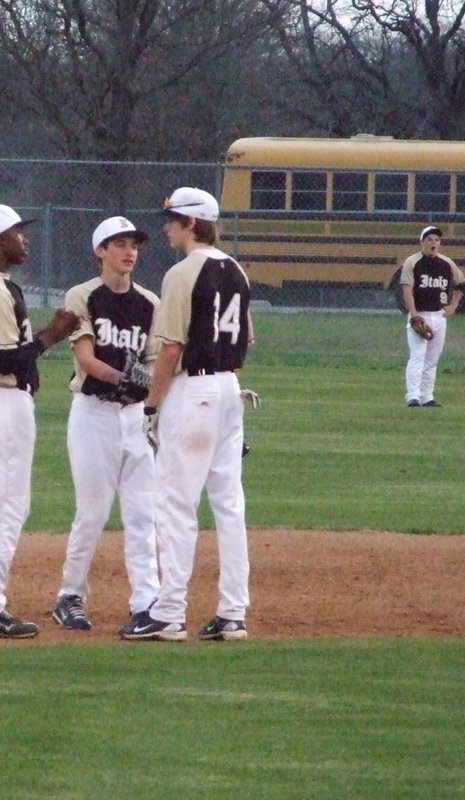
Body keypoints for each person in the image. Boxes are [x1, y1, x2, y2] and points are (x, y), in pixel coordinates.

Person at [0, 204, 81, 639]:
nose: (25, 238)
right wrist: (51, 336)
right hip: (0, 403)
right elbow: (5, 359)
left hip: (1, 403)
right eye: (17, 232)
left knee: (4, 506)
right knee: (7, 507)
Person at [140, 186, 257, 642]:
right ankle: (232, 613)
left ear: (192, 223)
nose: (166, 226)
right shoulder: (237, 272)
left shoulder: (182, 273)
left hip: (194, 390)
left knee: (175, 503)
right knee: (229, 504)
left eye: (172, 219)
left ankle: (169, 611)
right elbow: (246, 340)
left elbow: (170, 348)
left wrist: (152, 403)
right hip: (230, 387)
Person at [51, 216, 164, 637]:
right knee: (93, 511)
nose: (129, 251)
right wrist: (124, 378)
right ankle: (70, 595)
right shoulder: (83, 296)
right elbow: (86, 358)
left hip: (135, 418)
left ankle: (146, 602)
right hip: (93, 414)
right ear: (100, 251)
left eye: (133, 244)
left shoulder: (150, 302)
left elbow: (153, 360)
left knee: (141, 514)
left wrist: (147, 385)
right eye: (118, 243)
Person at [400, 226, 465, 408]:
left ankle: (427, 396)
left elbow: (461, 285)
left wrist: (453, 306)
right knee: (418, 356)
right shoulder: (412, 262)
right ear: (422, 242)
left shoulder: (446, 263)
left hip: (439, 315)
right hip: (420, 314)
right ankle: (412, 396)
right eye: (429, 240)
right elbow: (407, 290)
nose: (433, 243)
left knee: (432, 359)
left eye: (436, 240)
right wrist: (414, 316)